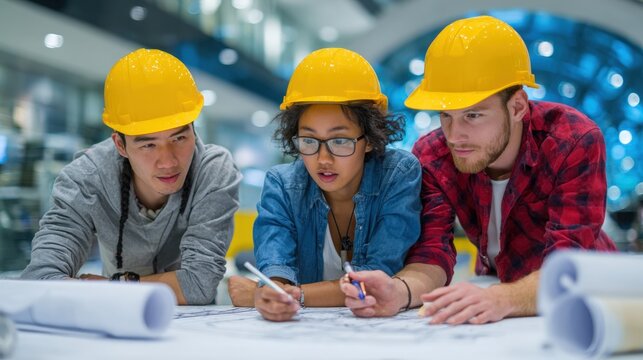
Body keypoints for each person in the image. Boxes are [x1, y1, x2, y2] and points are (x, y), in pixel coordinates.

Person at [340, 15, 616, 324]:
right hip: (499, 291)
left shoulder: (573, 140)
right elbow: (432, 251)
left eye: (472, 115)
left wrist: (501, 298)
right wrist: (400, 291)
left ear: (517, 107)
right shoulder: (433, 155)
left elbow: (570, 264)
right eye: (445, 115)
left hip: (595, 299)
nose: (454, 135)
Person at [21, 49, 242, 305]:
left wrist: (110, 287)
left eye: (179, 137)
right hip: (114, 315)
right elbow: (40, 277)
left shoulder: (213, 170)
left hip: (193, 324)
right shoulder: (86, 178)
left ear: (194, 129)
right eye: (148, 145)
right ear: (120, 144)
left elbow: (198, 284)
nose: (168, 161)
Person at [227, 48, 422, 321]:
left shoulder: (398, 174)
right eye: (308, 140)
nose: (323, 159)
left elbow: (377, 281)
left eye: (340, 140)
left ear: (370, 139)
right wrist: (272, 293)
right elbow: (276, 273)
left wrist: (289, 295)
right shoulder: (282, 184)